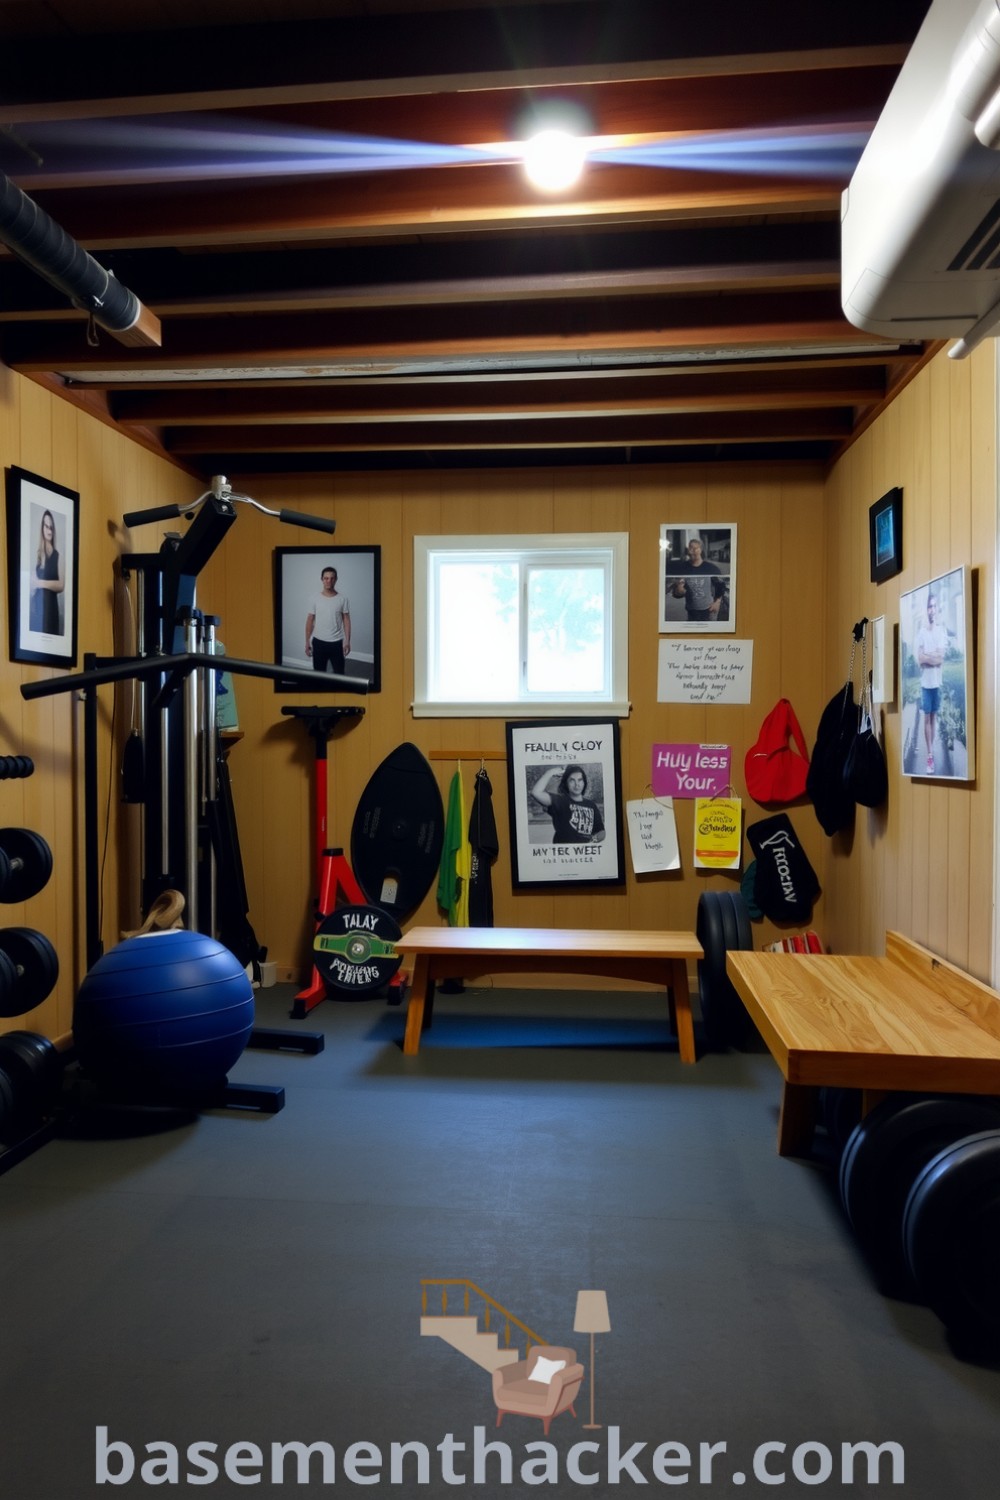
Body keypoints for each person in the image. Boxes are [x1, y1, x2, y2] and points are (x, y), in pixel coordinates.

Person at [529, 764, 606, 845]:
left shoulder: (591, 805)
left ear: (584, 782)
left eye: (580, 780)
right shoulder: (560, 801)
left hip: (584, 854)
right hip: (563, 854)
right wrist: (549, 773)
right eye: (572, 780)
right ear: (566, 783)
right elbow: (535, 793)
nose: (577, 784)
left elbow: (601, 832)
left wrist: (589, 843)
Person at [916, 590, 948, 775]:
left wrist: (930, 656)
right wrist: (930, 656)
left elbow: (941, 658)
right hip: (925, 683)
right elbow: (920, 659)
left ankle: (931, 751)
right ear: (926, 609)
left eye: (935, 606)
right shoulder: (922, 633)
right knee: (926, 717)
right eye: (930, 606)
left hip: (937, 682)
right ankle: (929, 754)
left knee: (934, 717)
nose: (932, 609)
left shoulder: (941, 631)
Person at [305, 566, 351, 675]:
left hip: (336, 643)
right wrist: (307, 642)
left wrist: (347, 641)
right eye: (326, 578)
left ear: (336, 579)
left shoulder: (343, 599)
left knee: (339, 674)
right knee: (319, 675)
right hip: (318, 642)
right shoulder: (314, 598)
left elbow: (346, 620)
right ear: (322, 579)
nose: (329, 581)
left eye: (332, 578)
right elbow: (310, 621)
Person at [669, 536, 726, 621]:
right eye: (691, 548)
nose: (693, 551)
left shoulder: (712, 569)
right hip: (691, 610)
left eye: (696, 548)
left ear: (701, 550)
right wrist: (678, 591)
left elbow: (721, 585)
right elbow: (676, 592)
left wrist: (717, 602)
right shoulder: (681, 569)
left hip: (708, 609)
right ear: (688, 550)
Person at [30, 509, 65, 635]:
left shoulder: (58, 556)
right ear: (42, 528)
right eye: (46, 526)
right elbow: (31, 583)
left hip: (50, 610)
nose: (49, 530)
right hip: (37, 610)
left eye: (51, 527)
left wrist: (39, 583)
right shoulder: (38, 555)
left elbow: (61, 585)